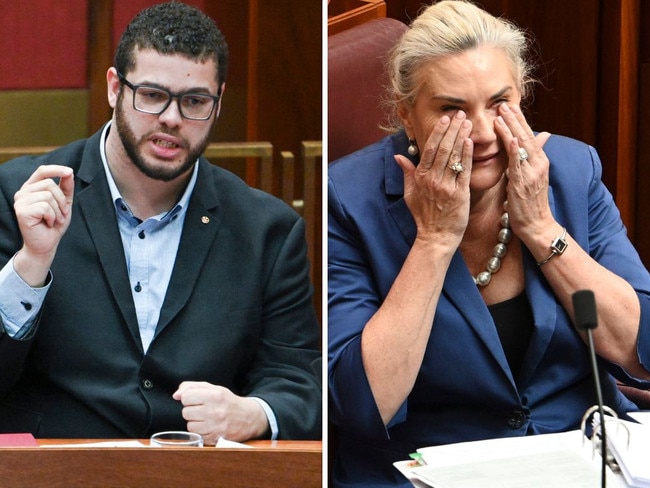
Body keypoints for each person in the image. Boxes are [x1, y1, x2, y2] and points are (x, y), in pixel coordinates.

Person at [328, 1, 650, 486]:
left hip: (581, 457)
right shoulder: (348, 200)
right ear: (407, 116)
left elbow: (638, 349)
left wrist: (542, 228)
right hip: (424, 468)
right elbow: (361, 403)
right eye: (451, 110)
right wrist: (435, 241)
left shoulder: (570, 170)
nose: (482, 133)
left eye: (499, 103)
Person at [0, 2, 321, 444]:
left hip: (199, 473)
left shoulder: (267, 229)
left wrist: (254, 412)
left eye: (194, 101)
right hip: (56, 466)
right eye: (152, 95)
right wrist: (31, 264)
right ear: (116, 88)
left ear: (218, 103)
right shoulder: (20, 194)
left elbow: (299, 382)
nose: (172, 118)